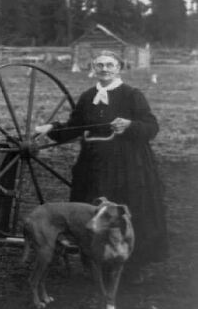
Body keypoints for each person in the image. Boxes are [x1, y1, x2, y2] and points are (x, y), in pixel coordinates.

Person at [36, 50, 168, 281]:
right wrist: (52, 128)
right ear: (93, 69)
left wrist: (130, 125)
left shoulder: (132, 95)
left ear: (119, 67)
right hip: (93, 165)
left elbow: (151, 127)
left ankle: (132, 267)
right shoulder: (88, 96)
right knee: (91, 210)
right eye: (99, 65)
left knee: (126, 212)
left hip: (127, 165)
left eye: (109, 65)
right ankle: (95, 262)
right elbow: (74, 126)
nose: (104, 69)